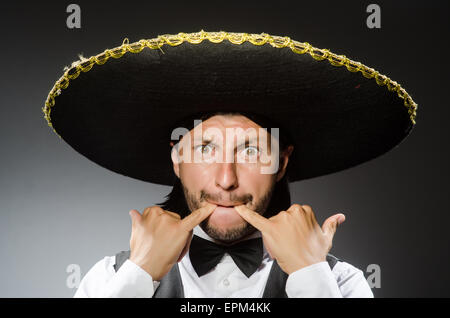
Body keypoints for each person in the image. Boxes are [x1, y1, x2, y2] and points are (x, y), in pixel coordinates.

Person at [43, 31, 417, 298]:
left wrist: (310, 277)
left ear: (281, 163)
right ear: (177, 158)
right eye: (205, 148)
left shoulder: (342, 284)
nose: (226, 180)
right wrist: (138, 278)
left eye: (251, 150)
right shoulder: (108, 281)